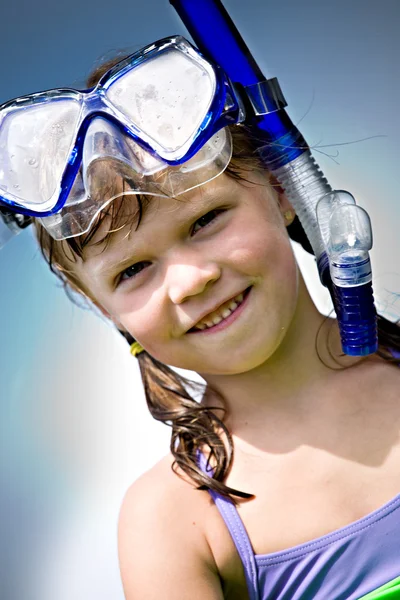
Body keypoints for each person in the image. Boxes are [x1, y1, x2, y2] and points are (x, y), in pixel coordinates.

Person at [2, 36, 400, 600]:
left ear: (284, 188)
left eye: (207, 219)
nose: (191, 280)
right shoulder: (173, 526)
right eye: (133, 270)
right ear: (100, 305)